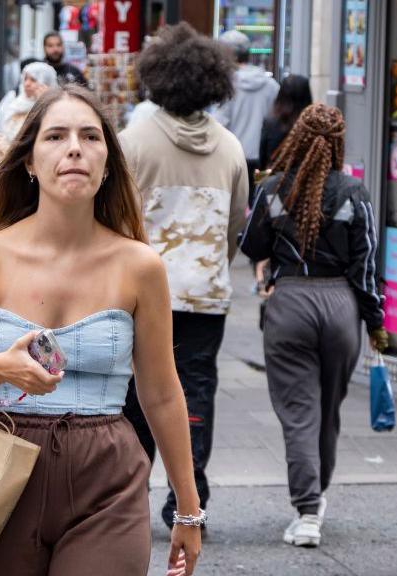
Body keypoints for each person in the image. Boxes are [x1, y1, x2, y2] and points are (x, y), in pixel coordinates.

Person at [0, 84, 203, 576]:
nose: (75, 147)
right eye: (56, 136)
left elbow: (160, 392)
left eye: (91, 136)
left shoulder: (140, 266)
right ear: (29, 161)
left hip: (108, 478)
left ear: (108, 161)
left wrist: (188, 508)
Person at [239, 103, 386, 548]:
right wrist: (375, 321)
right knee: (328, 411)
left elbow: (251, 245)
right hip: (341, 305)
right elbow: (366, 267)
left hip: (291, 305)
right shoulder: (355, 194)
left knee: (299, 411)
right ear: (339, 143)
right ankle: (316, 495)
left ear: (297, 137)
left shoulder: (273, 189)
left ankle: (307, 512)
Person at [118, 22, 247, 530]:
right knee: (195, 393)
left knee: (135, 394)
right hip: (206, 293)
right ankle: (189, 502)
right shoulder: (230, 147)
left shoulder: (133, 141)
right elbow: (237, 224)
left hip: (142, 291)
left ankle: (126, 498)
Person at [213, 30, 280, 171]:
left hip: (232, 159)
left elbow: (218, 125)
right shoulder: (271, 85)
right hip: (262, 159)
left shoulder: (226, 85)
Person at [259, 74, 312, 170]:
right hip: (306, 181)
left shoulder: (270, 123)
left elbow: (262, 158)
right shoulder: (312, 125)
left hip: (275, 182)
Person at [0, 62, 58, 142]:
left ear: (46, 84)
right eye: (25, 79)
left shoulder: (55, 106)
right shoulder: (15, 101)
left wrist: (43, 103)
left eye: (33, 80)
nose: (27, 84)